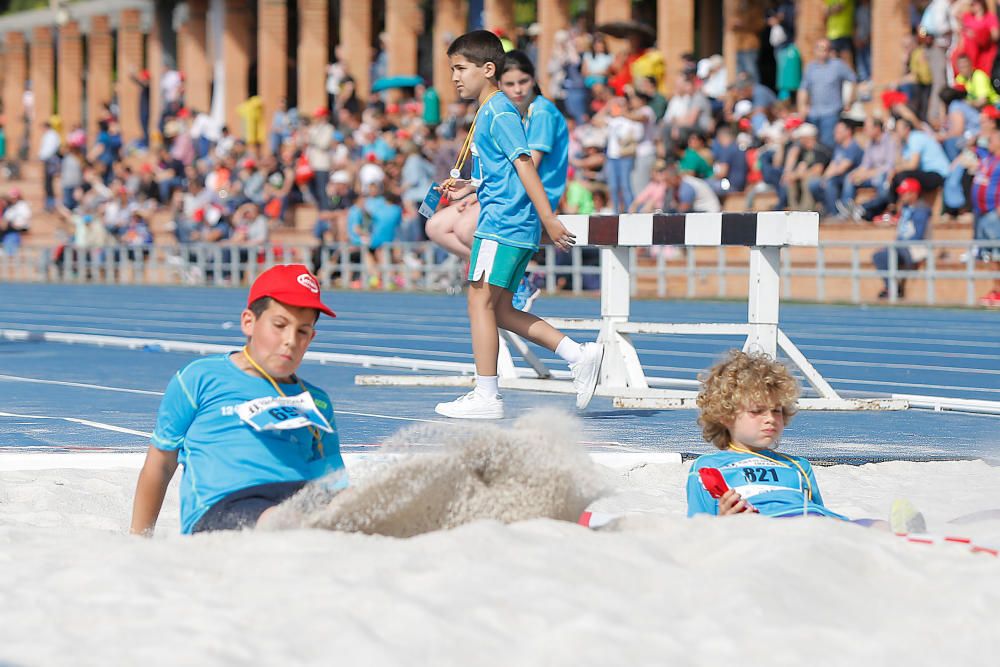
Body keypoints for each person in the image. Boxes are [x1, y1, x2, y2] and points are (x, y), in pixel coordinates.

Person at [434, 30, 603, 420]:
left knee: (478, 299)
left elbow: (524, 163)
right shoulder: (489, 111)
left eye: (461, 68)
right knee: (501, 309)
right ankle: (578, 354)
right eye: (452, 70)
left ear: (488, 69)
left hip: (503, 224)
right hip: (506, 220)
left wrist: (548, 217)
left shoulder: (499, 110)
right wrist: (467, 185)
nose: (455, 77)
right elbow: (500, 172)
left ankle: (487, 395)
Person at [130, 264, 347, 535]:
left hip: (297, 500)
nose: (290, 340)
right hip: (224, 508)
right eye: (279, 325)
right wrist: (139, 538)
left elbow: (333, 482)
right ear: (249, 322)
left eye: (303, 331)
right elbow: (160, 464)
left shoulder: (317, 401)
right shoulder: (199, 379)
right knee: (280, 520)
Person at [686, 349, 924, 532]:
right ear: (726, 417)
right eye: (757, 411)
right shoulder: (709, 468)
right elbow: (696, 531)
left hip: (815, 525)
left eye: (777, 410)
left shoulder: (798, 466)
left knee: (872, 525)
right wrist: (723, 522)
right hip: (765, 527)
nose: (770, 419)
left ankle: (904, 534)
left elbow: (817, 509)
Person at [872, 178, 930, 299]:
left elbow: (918, 236)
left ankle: (893, 289)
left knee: (889, 253)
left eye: (905, 192)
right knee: (879, 255)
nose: (901, 195)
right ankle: (892, 287)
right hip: (902, 247)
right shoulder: (905, 209)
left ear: (914, 193)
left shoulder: (921, 210)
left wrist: (899, 245)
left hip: (915, 249)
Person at [797, 39, 855, 148]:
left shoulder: (838, 65)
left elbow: (852, 80)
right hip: (814, 113)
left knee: (827, 145)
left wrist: (849, 101)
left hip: (831, 112)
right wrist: (802, 107)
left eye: (826, 49)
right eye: (820, 49)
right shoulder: (810, 68)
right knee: (813, 146)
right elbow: (803, 88)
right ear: (815, 51)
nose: (823, 52)